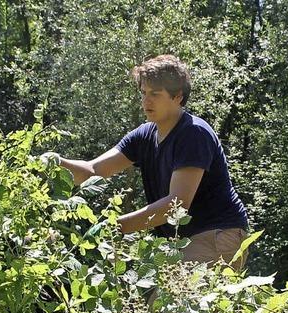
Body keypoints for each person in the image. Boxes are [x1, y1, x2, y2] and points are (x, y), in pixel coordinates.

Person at [42, 55, 249, 272]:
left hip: (216, 235)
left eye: (155, 94)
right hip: (181, 242)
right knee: (145, 299)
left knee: (170, 303)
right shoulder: (145, 135)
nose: (146, 101)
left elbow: (175, 205)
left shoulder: (193, 133)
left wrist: (115, 226)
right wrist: (55, 163)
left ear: (178, 96)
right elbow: (93, 171)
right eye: (144, 93)